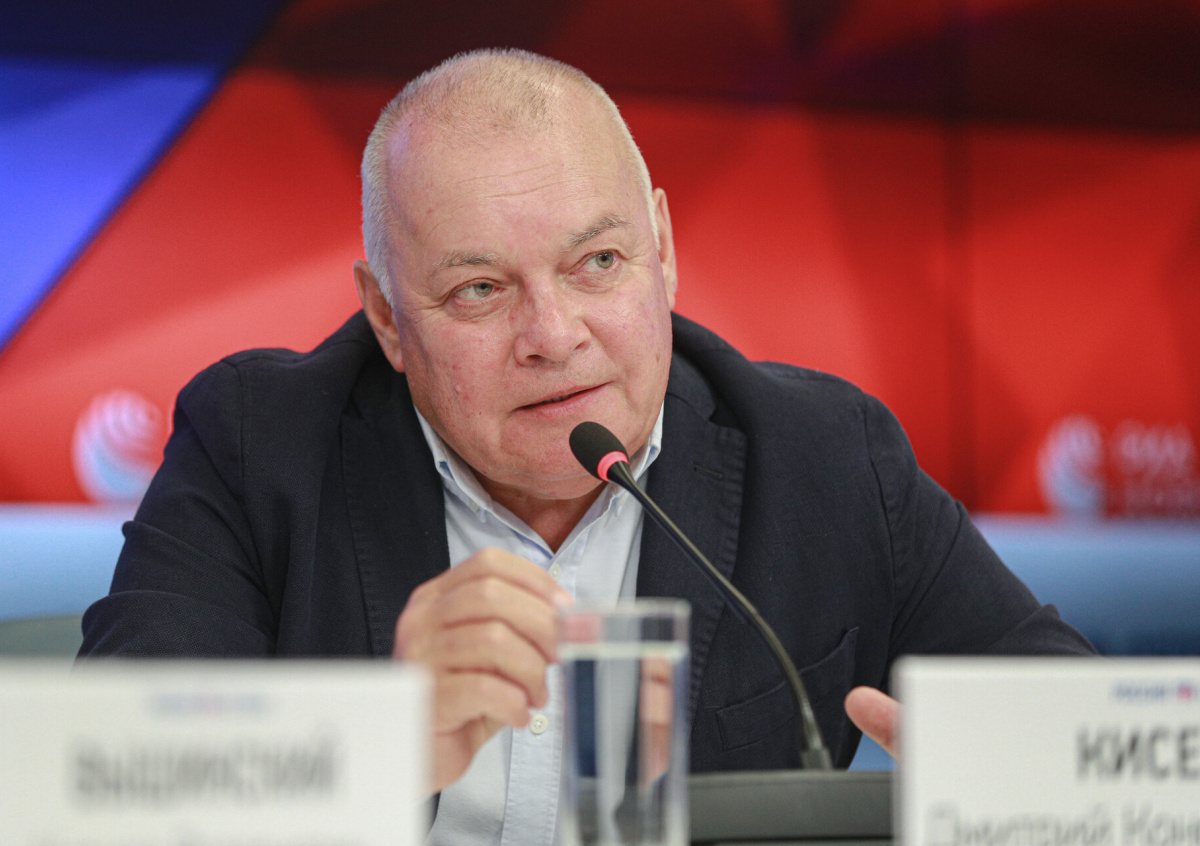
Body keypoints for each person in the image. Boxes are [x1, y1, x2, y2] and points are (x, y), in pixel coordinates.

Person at [80, 48, 1093, 842]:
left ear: (665, 251)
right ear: (387, 318)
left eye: (598, 263)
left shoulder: (826, 458)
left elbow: (1089, 744)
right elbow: (105, 790)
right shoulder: (258, 447)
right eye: (480, 289)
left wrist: (1029, 785)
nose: (553, 335)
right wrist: (372, 749)